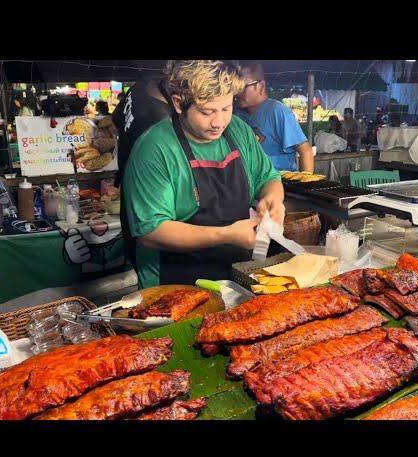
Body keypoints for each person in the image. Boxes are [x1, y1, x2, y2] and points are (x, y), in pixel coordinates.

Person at [123, 60, 284, 288]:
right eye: (207, 112)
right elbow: (151, 231)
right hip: (174, 283)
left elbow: (268, 178)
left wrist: (273, 199)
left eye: (226, 108)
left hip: (236, 276)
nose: (219, 122)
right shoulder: (154, 148)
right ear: (179, 104)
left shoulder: (239, 131)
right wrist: (226, 235)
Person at [112, 74, 172, 273]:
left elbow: (116, 120)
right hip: (146, 195)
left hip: (129, 186)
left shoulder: (139, 87)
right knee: (151, 265)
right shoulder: (163, 123)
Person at [236, 61, 314, 172]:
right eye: (235, 87)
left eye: (243, 87)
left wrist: (305, 187)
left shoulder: (278, 112)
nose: (237, 92)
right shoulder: (236, 115)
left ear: (261, 86)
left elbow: (305, 151)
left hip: (281, 183)